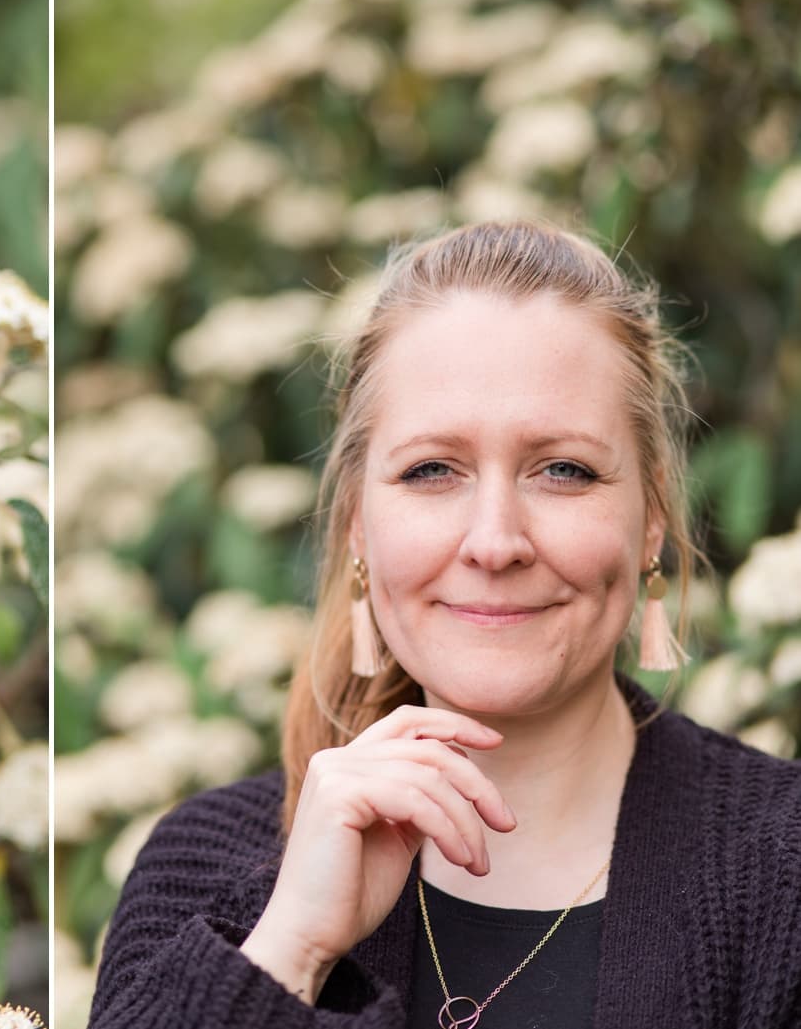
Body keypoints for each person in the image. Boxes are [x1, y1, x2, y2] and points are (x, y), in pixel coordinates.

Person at [86, 221, 801, 1028]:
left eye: (563, 469)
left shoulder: (781, 868)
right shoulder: (208, 877)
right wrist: (291, 951)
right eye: (432, 470)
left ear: (651, 520)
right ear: (358, 524)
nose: (495, 541)